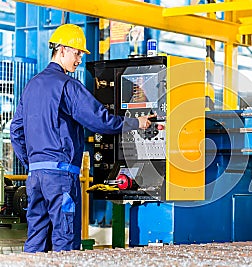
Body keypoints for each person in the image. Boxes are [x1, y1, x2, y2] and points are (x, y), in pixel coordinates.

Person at [10, 24, 154, 253]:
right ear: (62, 50)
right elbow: (100, 120)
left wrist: (33, 163)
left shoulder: (31, 86)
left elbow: (16, 131)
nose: (79, 59)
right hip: (60, 178)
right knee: (65, 242)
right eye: (76, 53)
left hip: (35, 178)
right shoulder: (67, 85)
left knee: (36, 240)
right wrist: (137, 122)